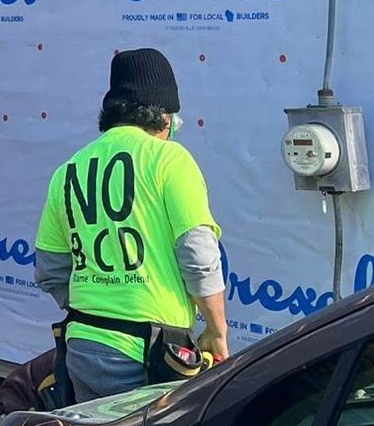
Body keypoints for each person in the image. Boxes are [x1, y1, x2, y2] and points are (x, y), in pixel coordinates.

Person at [33, 47, 228, 403]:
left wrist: (97, 299)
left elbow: (50, 268)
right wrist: (217, 330)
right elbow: (197, 253)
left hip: (81, 344)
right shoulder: (170, 160)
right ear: (164, 117)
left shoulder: (70, 168)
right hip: (150, 354)